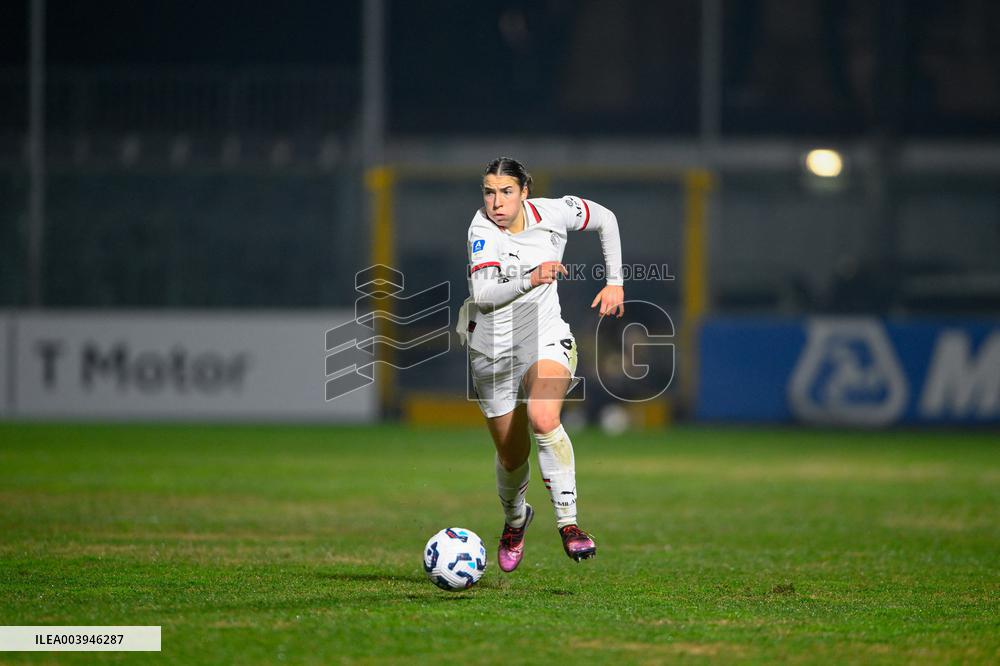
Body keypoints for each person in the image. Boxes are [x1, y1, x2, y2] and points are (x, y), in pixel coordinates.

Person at [456, 156, 624, 572]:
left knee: (544, 416)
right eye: (489, 192)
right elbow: (484, 294)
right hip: (492, 351)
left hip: (545, 336)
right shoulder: (481, 230)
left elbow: (606, 218)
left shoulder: (553, 212)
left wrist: (615, 282)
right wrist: (533, 276)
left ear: (524, 191)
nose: (496, 202)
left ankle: (569, 523)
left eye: (506, 191)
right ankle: (516, 520)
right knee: (512, 457)